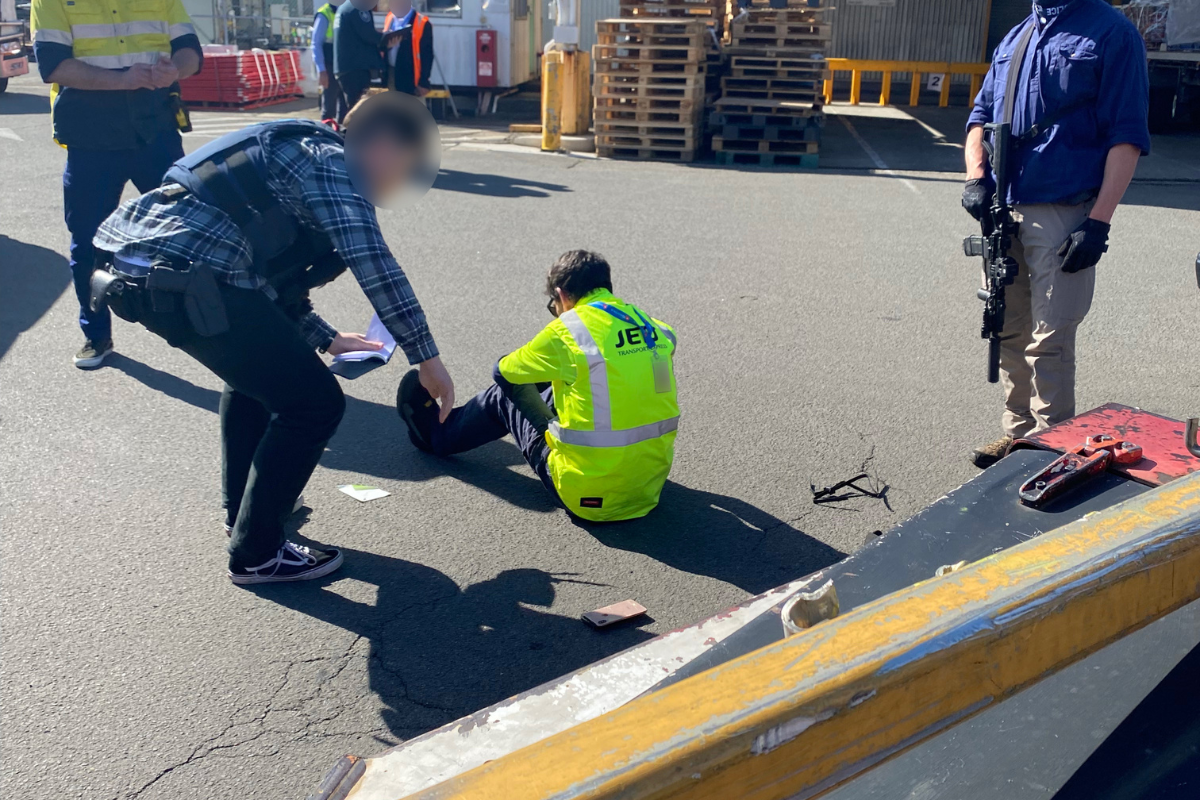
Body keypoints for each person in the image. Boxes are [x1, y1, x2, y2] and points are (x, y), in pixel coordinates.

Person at [90, 97, 455, 584]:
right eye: (405, 165)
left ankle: (246, 510)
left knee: (254, 381)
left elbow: (270, 279)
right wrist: (427, 360)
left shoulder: (300, 149)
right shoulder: (332, 165)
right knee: (314, 404)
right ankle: (257, 553)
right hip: (187, 277)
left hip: (149, 269)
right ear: (383, 145)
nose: (401, 181)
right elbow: (375, 263)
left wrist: (327, 339)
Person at [962, 0, 1149, 468]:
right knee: (1006, 329)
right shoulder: (1017, 34)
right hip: (1005, 210)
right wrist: (974, 174)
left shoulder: (1111, 33)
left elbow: (1126, 135)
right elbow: (979, 114)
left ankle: (1050, 447)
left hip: (1064, 210)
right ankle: (1017, 437)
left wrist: (1098, 222)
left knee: (1050, 338)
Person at [397, 250, 680, 522]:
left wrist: (547, 422)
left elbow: (505, 371)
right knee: (586, 383)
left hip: (587, 496)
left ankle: (435, 435)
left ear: (560, 295)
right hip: (646, 490)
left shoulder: (570, 330)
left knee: (505, 393)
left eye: (553, 306)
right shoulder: (654, 327)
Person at [30, 0, 202, 369]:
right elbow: (54, 66)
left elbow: (190, 51)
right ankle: (96, 336)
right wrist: (124, 79)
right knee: (88, 242)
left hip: (155, 130)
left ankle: (210, 324)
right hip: (91, 139)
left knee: (192, 232)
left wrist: (175, 69)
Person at [334, 0, 405, 110]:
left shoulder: (345, 7)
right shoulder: (359, 7)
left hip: (346, 67)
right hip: (356, 68)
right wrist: (387, 39)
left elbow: (360, 35)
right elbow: (369, 36)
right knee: (358, 111)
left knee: (347, 111)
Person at [382, 0, 433, 97]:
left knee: (413, 111)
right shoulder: (390, 18)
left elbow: (427, 56)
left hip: (412, 79)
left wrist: (423, 82)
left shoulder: (422, 23)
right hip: (392, 74)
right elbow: (384, 45)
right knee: (393, 109)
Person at [312, 0, 348, 125]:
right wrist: (321, 70)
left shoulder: (346, 10)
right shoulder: (325, 13)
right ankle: (325, 135)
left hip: (343, 65)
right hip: (329, 64)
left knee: (344, 104)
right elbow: (316, 44)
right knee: (329, 105)